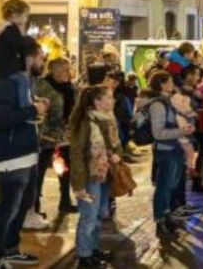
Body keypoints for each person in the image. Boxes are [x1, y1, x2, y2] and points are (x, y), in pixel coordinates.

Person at [0, 37, 50, 268]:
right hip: (10, 155)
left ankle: (10, 248)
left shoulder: (24, 83)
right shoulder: (6, 84)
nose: (43, 62)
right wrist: (32, 109)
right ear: (28, 58)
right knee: (8, 207)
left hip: (25, 152)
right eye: (41, 57)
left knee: (24, 203)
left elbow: (17, 113)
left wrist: (34, 108)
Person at [69, 85, 122, 269]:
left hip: (103, 174)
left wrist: (116, 154)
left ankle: (92, 249)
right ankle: (84, 256)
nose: (112, 101)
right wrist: (78, 185)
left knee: (99, 215)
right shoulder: (84, 122)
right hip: (89, 176)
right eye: (108, 97)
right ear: (97, 102)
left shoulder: (106, 120)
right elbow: (76, 154)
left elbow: (115, 144)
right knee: (89, 217)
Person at [142, 71, 194, 238]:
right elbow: (158, 133)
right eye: (170, 81)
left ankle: (168, 218)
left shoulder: (170, 102)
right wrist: (181, 131)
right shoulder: (158, 105)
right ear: (162, 84)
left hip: (175, 149)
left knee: (171, 186)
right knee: (163, 188)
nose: (173, 84)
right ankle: (160, 221)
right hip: (166, 151)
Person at [31, 57, 73, 224]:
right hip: (45, 136)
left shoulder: (69, 88)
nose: (67, 74)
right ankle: (35, 206)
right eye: (63, 70)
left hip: (65, 136)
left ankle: (65, 201)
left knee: (65, 169)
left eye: (68, 70)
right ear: (52, 71)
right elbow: (40, 111)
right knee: (39, 172)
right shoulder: (42, 86)